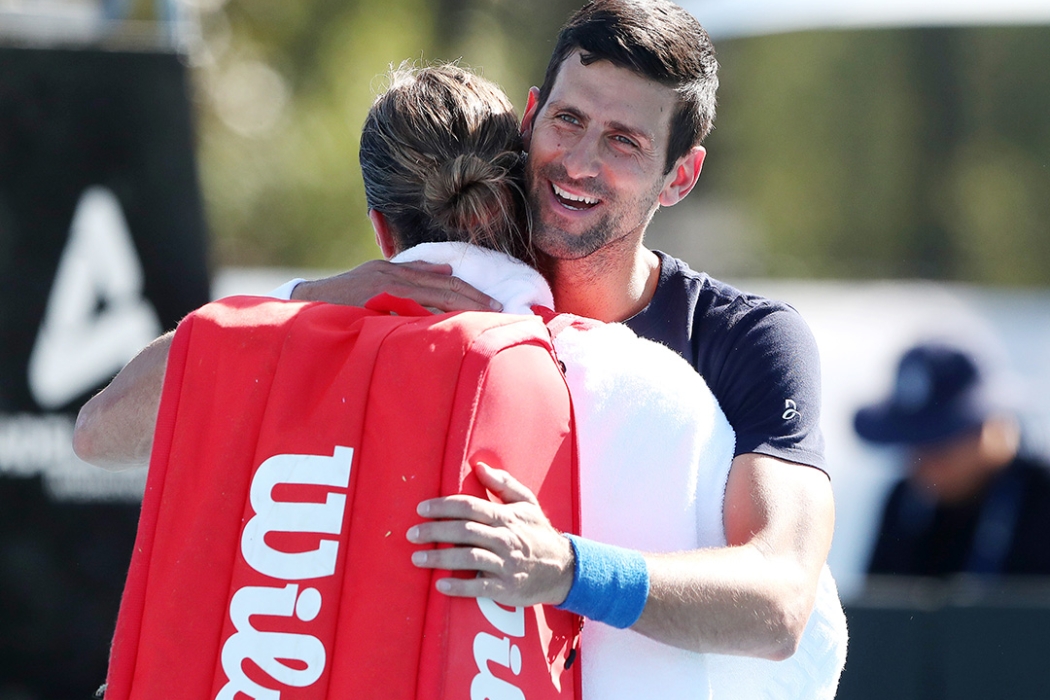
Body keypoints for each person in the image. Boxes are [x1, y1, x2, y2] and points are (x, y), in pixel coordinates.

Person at [76, 0, 844, 693]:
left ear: (680, 176)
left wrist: (565, 569)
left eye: (624, 142)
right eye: (569, 120)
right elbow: (104, 432)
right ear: (530, 117)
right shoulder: (423, 295)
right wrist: (310, 299)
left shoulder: (746, 340)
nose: (580, 162)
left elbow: (779, 601)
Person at [856, 341, 1050, 577]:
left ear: (995, 425)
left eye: (940, 440)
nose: (924, 461)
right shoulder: (903, 503)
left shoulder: (1043, 496)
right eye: (912, 442)